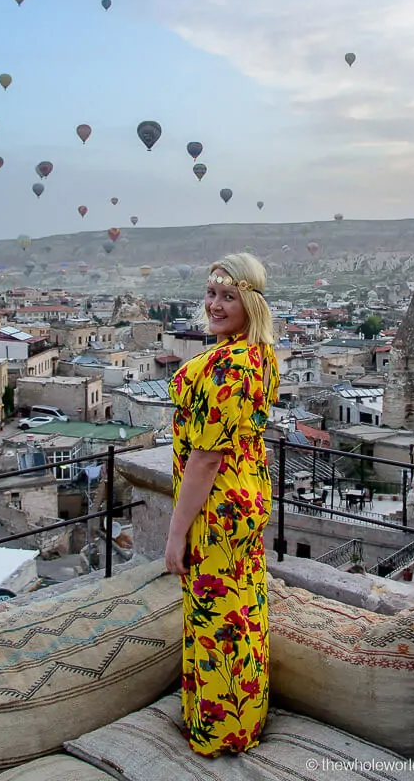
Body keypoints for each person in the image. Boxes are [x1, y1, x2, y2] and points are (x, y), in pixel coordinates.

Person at [165, 252, 279, 757]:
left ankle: (216, 732)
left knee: (216, 621)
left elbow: (206, 457)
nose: (214, 304)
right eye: (211, 293)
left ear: (250, 304)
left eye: (228, 296)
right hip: (245, 501)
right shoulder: (258, 356)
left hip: (214, 509)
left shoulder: (228, 364)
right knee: (244, 613)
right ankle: (242, 721)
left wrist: (175, 532)